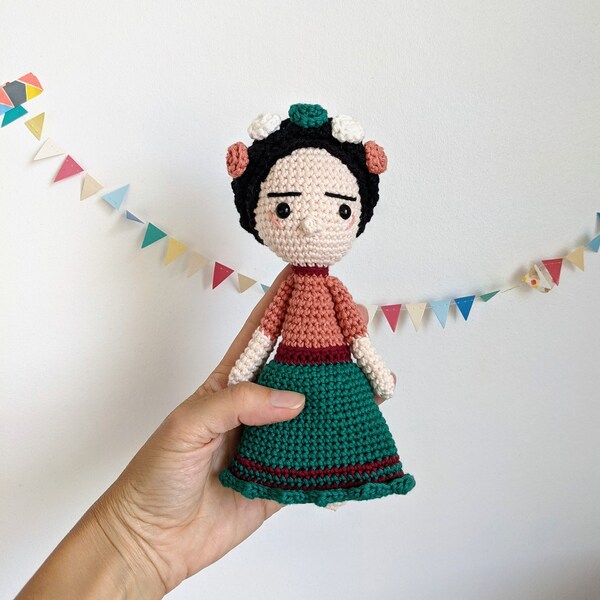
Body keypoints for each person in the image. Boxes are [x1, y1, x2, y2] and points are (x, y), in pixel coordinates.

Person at [16, 265, 390, 599]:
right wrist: (243, 374)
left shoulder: (333, 290)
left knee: (341, 439)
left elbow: (358, 337)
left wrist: (376, 372)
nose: (308, 225)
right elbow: (266, 334)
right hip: (291, 372)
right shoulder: (290, 291)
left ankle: (341, 481)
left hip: (334, 374)